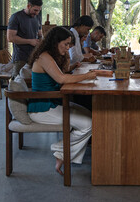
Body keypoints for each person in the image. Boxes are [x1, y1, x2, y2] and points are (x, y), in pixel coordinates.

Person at [28, 26, 99, 175]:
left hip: (54, 102)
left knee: (92, 117)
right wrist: (88, 76)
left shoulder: (52, 55)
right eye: (65, 44)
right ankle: (60, 151)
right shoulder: (44, 57)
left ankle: (62, 155)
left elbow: (64, 72)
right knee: (89, 124)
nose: (68, 47)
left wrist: (66, 56)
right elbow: (61, 78)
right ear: (55, 42)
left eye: (69, 45)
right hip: (43, 107)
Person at [7, 0, 43, 77]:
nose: (37, 13)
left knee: (32, 83)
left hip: (34, 56)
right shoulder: (16, 17)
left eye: (39, 11)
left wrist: (41, 41)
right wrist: (30, 41)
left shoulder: (37, 17)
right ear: (28, 6)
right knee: (17, 83)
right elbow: (10, 38)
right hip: (21, 58)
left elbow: (40, 34)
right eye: (35, 10)